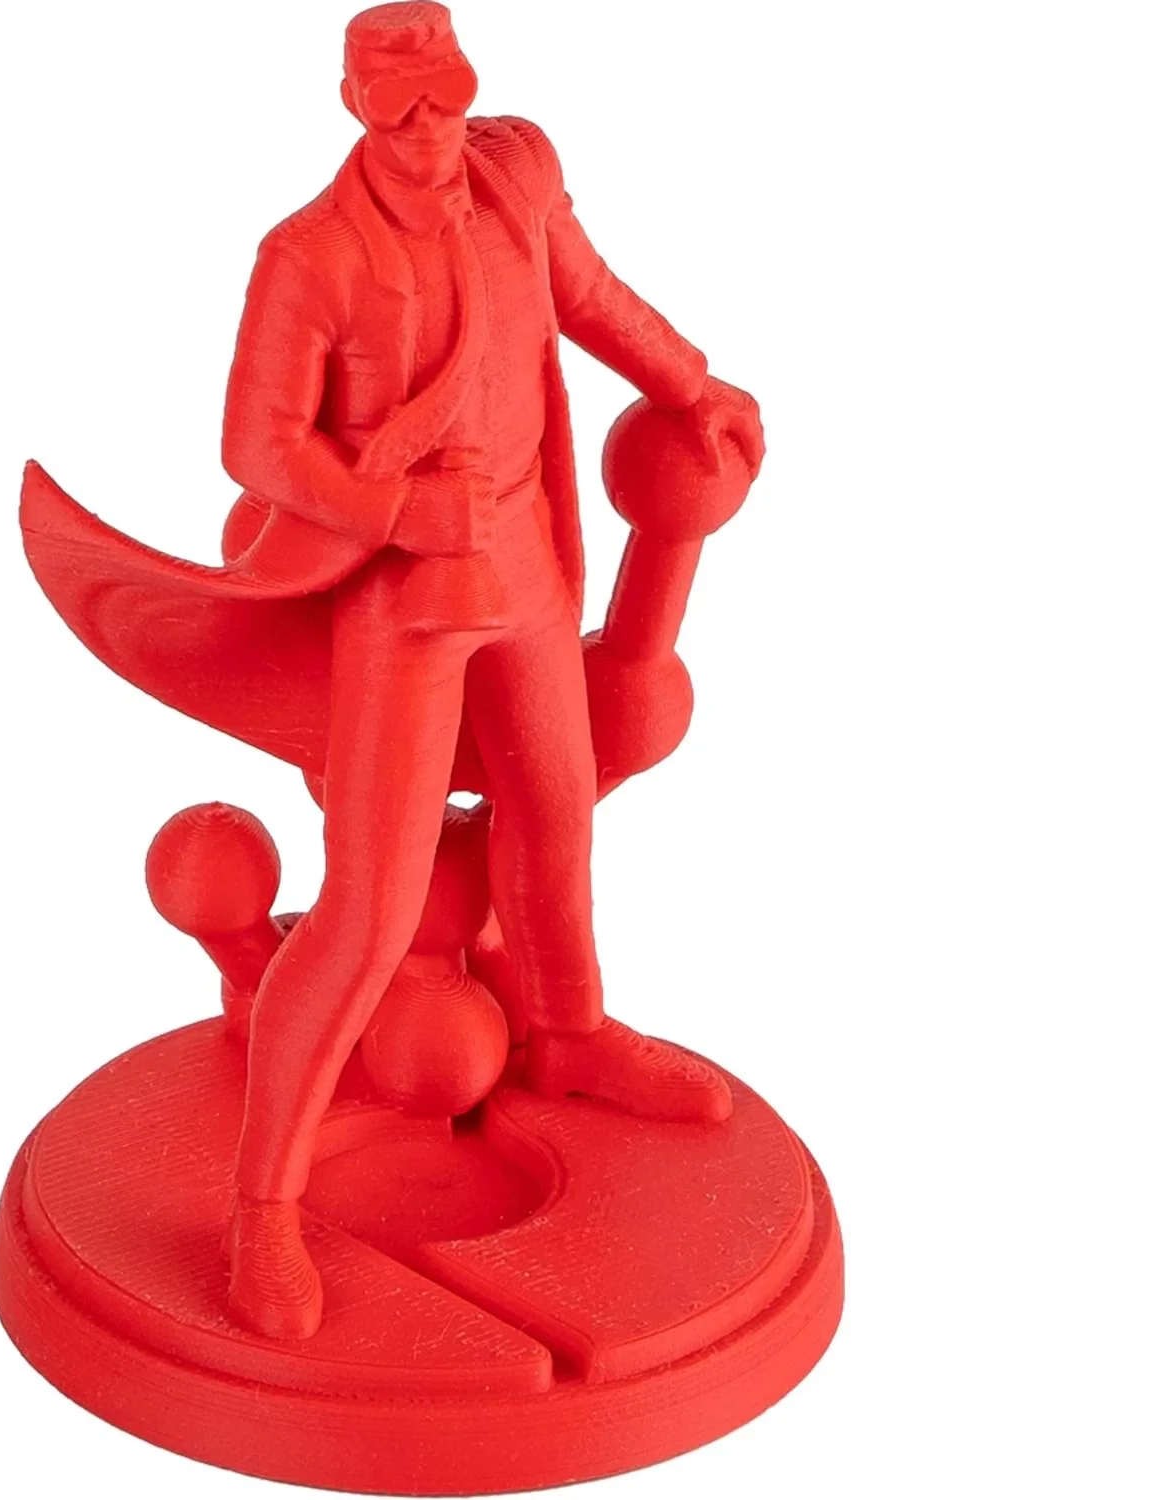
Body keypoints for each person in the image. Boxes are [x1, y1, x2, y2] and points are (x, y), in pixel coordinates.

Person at [222, 2, 766, 1339]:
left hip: (521, 553)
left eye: (445, 99)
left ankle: (570, 1033)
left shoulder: (514, 173)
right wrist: (396, 511)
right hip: (402, 592)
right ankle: (262, 1211)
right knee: (368, 905)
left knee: (556, 807)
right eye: (399, 107)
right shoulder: (310, 255)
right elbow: (258, 443)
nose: (428, 129)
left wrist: (692, 384)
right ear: (356, 107)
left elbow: (588, 294)